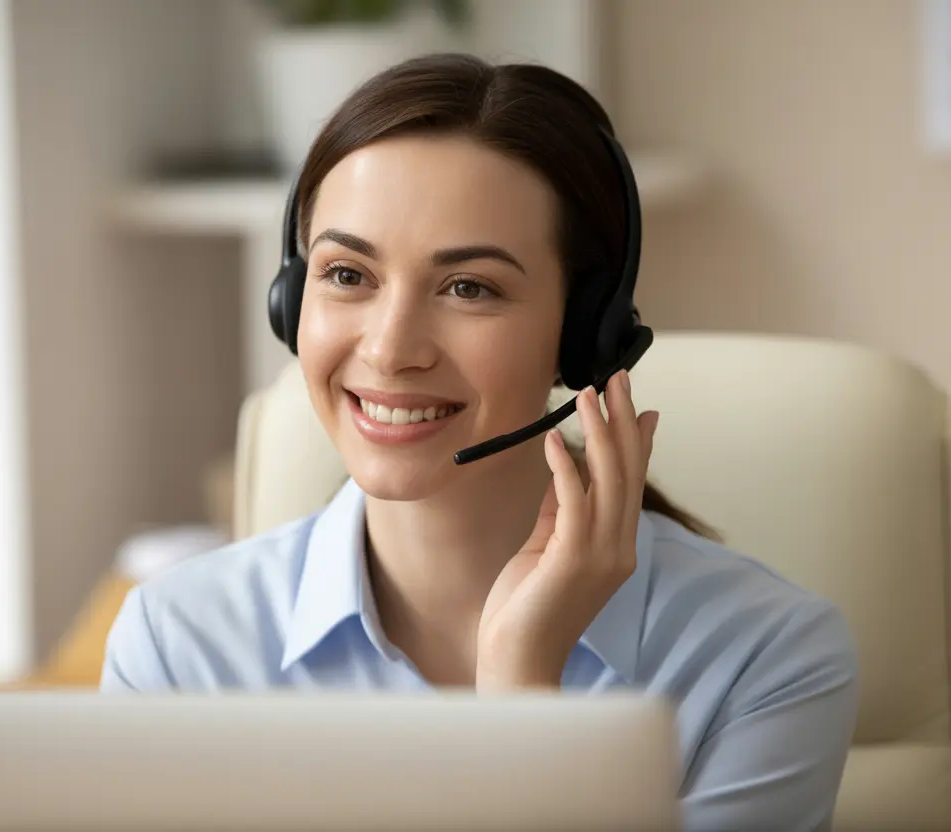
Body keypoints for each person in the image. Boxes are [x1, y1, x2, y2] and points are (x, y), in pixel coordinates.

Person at [101, 53, 859, 829]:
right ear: (291, 300)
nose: (392, 349)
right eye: (346, 274)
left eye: (470, 288)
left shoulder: (761, 657)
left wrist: (522, 692)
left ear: (583, 335)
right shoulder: (180, 647)